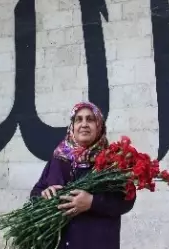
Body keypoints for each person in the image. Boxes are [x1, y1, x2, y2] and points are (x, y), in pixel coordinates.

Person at [30, 102, 135, 249]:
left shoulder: (112, 161)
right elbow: (36, 192)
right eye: (78, 119)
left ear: (99, 126)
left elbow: (126, 201)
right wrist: (43, 195)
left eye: (90, 119)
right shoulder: (58, 159)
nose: (84, 124)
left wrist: (92, 202)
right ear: (72, 126)